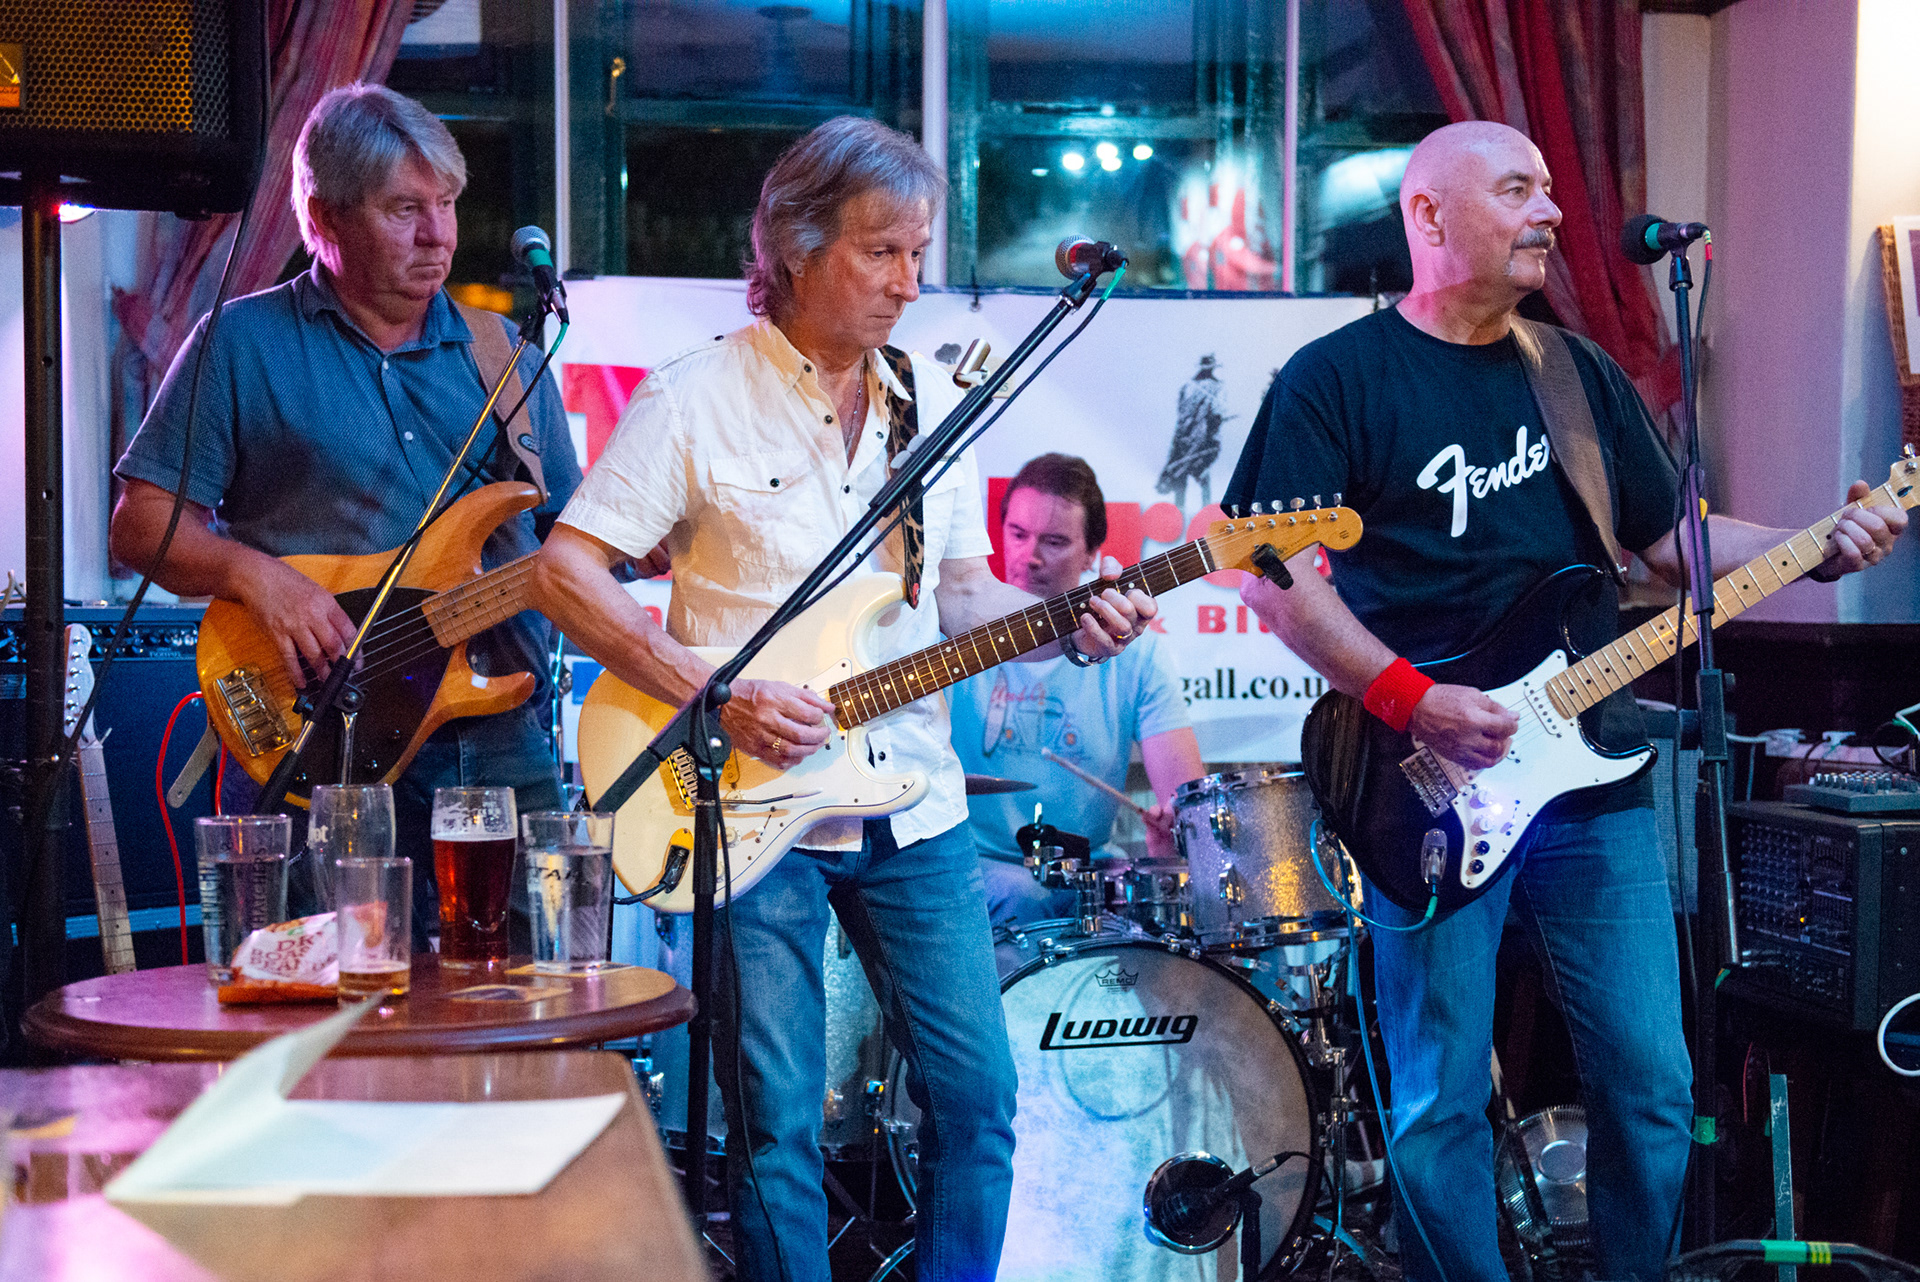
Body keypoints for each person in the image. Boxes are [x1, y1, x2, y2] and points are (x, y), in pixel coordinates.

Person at [1223, 120, 1906, 1282]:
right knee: (1440, 1094)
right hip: (1419, 782)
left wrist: (1818, 544)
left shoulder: (1575, 374)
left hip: (1592, 772)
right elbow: (1271, 573)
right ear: (1430, 217)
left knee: (1652, 1083)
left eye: (1551, 186)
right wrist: (1411, 696)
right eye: (1518, 189)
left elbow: (1673, 544)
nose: (1550, 210)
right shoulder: (1336, 378)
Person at [528, 117, 1156, 1282]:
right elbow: (564, 571)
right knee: (779, 1133)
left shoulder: (936, 405)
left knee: (980, 1101)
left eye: (919, 254)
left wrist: (1063, 628)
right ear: (797, 245)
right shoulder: (694, 397)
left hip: (912, 808)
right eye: (882, 253)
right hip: (752, 814)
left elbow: (960, 595)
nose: (909, 283)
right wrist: (711, 693)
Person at [110, 83, 581, 940]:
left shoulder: (506, 357)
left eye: (445, 203)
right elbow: (141, 523)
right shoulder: (239, 343)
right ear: (323, 219)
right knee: (324, 998)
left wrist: (650, 545)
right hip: (316, 732)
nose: (439, 234)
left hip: (496, 730)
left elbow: (571, 543)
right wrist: (260, 579)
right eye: (405, 210)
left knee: (526, 1001)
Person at [949, 453, 1203, 936]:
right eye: (1018, 534)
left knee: (1149, 921)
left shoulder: (1137, 654)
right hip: (972, 868)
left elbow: (1184, 798)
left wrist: (1170, 829)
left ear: (1092, 554)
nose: (1031, 555)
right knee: (1025, 895)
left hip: (1086, 873)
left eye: (1055, 541)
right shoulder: (958, 636)